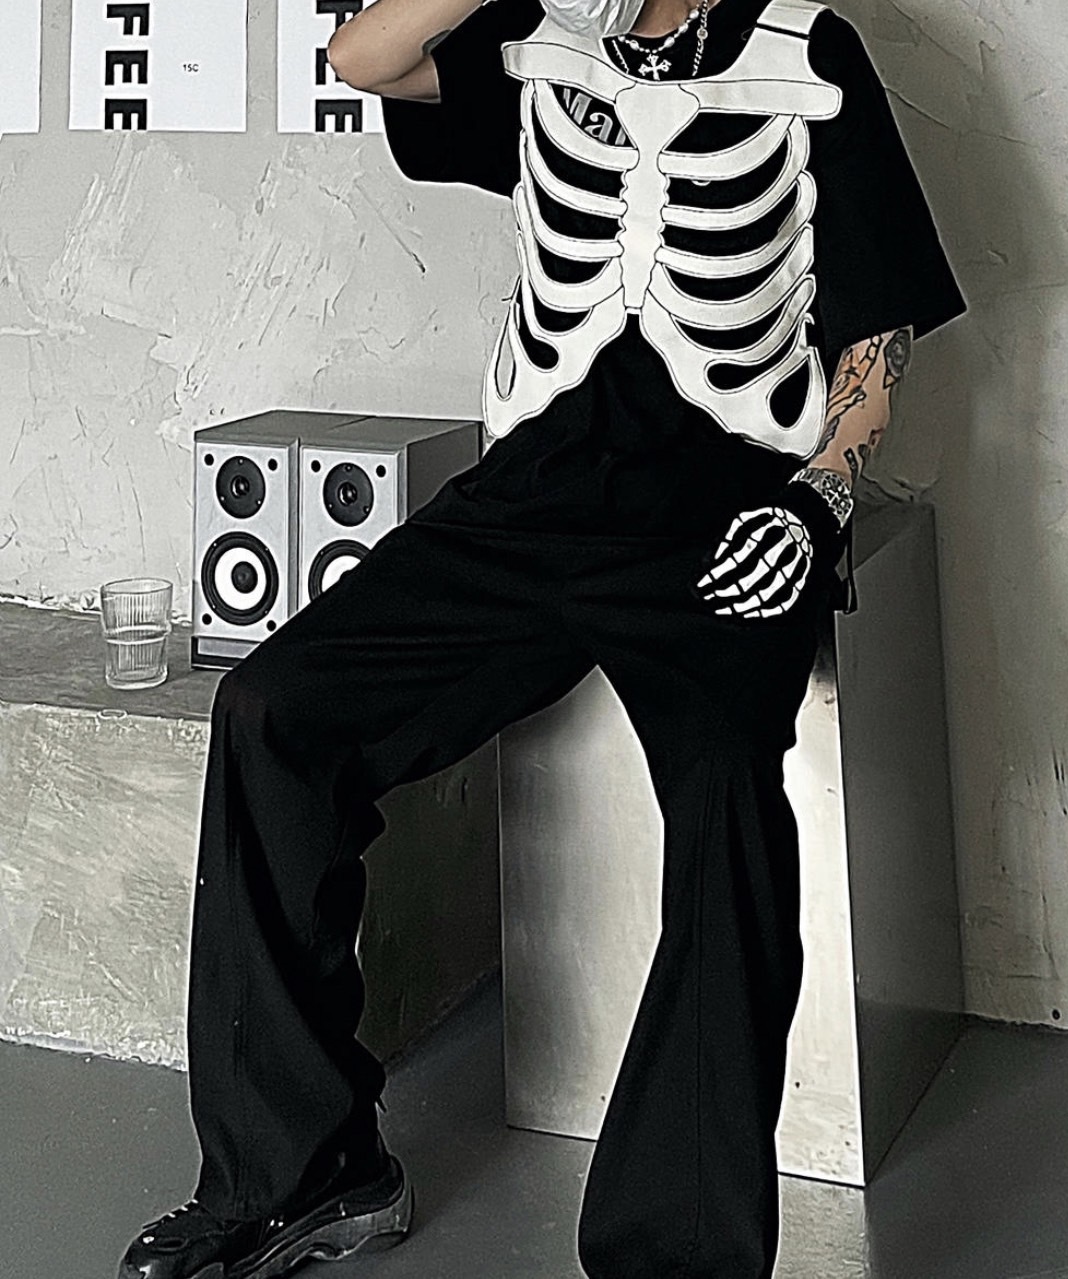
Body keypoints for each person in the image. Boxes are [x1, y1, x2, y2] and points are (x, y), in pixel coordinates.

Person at [117, 0, 966, 1275]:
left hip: (727, 504)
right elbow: (366, 56)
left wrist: (821, 496)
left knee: (729, 798)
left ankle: (673, 1250)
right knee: (274, 711)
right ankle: (301, 1168)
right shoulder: (542, 31)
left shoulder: (808, 46)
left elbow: (876, 328)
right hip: (535, 494)